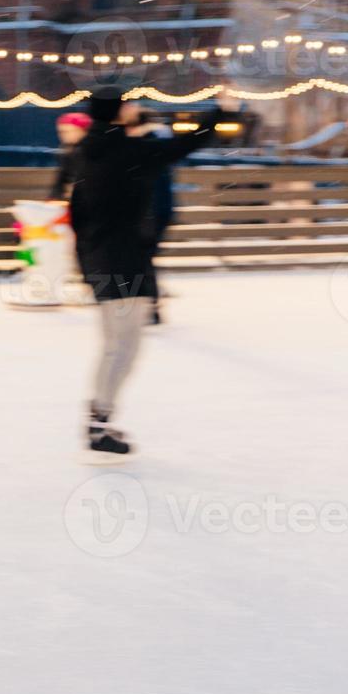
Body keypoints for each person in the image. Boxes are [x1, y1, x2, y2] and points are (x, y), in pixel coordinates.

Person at [68, 85, 239, 459]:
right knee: (123, 346)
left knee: (118, 344)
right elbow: (182, 147)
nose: (136, 107)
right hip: (124, 256)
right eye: (129, 103)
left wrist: (83, 261)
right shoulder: (129, 151)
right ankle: (98, 423)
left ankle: (100, 418)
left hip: (101, 254)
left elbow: (76, 211)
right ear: (117, 111)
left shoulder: (85, 150)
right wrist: (221, 113)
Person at [48, 112, 91, 200]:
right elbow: (61, 181)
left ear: (83, 131)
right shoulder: (67, 152)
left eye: (68, 131)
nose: (63, 135)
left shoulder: (91, 152)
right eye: (61, 132)